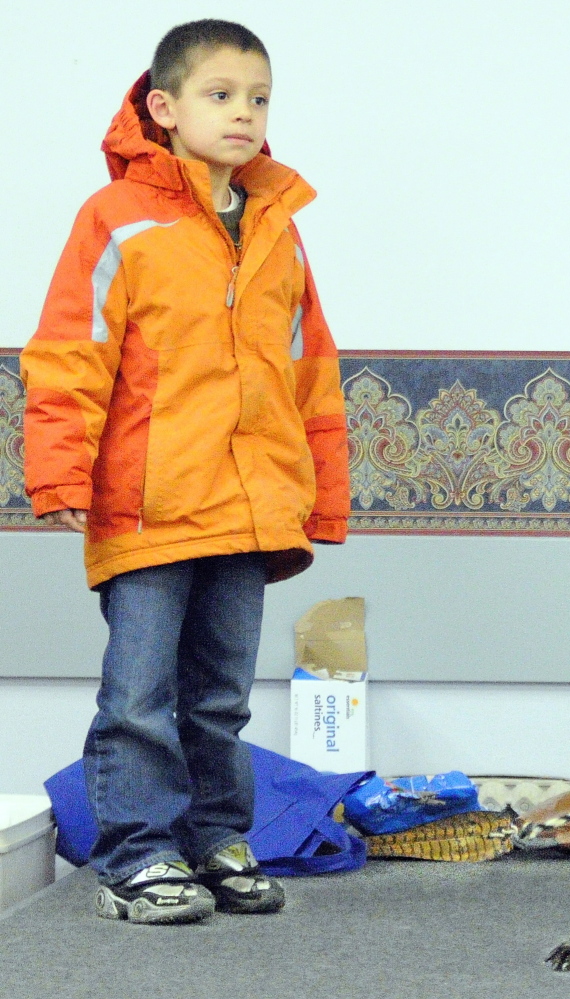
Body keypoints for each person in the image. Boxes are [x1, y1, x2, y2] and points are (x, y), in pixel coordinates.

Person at [20, 19, 350, 924]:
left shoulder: (278, 226)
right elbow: (70, 353)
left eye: (258, 98)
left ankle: (216, 839)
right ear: (163, 109)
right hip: (149, 506)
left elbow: (309, 368)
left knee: (218, 697)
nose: (243, 113)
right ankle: (137, 856)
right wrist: (60, 471)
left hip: (251, 509)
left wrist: (318, 494)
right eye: (220, 95)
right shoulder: (117, 219)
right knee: (139, 695)